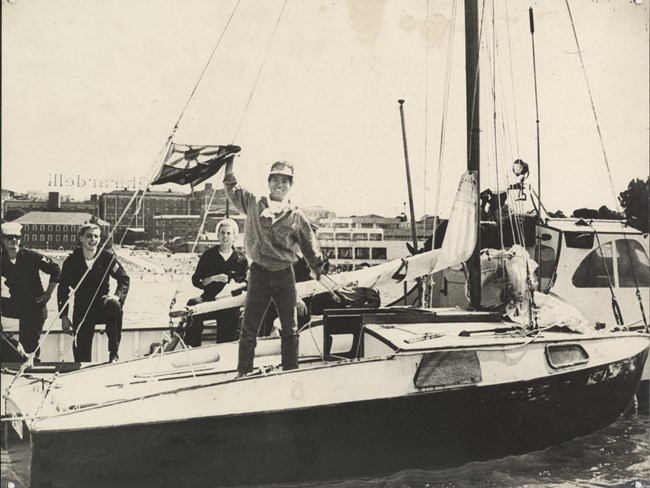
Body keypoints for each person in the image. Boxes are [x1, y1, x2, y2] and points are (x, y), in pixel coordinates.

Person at [224, 159, 324, 376]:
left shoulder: (296, 215)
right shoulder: (253, 203)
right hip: (258, 274)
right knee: (249, 328)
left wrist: (319, 270)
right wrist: (229, 162)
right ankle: (243, 372)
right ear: (269, 182)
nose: (280, 185)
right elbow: (232, 187)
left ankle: (290, 373)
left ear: (291, 185)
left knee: (290, 329)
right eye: (276, 179)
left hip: (284, 276)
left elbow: (309, 246)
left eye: (285, 181)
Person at [57, 223, 130, 362]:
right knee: (82, 355)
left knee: (115, 306)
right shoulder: (71, 261)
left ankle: (114, 353)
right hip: (82, 308)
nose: (93, 239)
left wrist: (116, 296)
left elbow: (124, 279)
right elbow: (63, 289)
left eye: (96, 236)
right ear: (81, 238)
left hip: (102, 305)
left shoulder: (107, 257)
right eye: (89, 235)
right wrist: (64, 317)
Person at [1, 222, 61, 360]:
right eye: (10, 238)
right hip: (15, 304)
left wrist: (48, 294)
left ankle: (31, 365)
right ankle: (13, 344)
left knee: (30, 346)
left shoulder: (31, 256)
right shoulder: (2, 259)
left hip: (34, 305)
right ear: (3, 240)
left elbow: (56, 269)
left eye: (17, 237)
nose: (14, 241)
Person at [184, 218, 248, 346]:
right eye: (222, 233)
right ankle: (192, 347)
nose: (225, 236)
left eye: (229, 233)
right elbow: (196, 280)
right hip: (209, 299)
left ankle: (224, 350)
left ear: (234, 236)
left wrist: (238, 285)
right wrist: (213, 278)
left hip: (229, 304)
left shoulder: (241, 258)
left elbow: (247, 283)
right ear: (218, 235)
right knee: (193, 305)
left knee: (230, 322)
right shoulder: (209, 255)